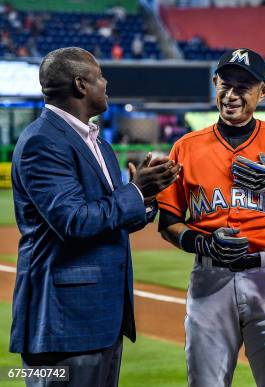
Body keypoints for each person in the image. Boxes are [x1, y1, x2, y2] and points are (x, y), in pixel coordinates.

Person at [9, 47, 181, 387]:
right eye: (100, 76)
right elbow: (74, 221)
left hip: (102, 318)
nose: (106, 83)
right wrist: (133, 191)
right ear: (81, 85)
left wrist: (144, 196)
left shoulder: (96, 142)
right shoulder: (42, 142)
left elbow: (113, 216)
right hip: (63, 324)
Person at [157, 48, 265, 387]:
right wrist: (203, 242)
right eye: (226, 84)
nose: (232, 94)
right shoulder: (185, 147)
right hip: (210, 283)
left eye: (243, 86)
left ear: (262, 92)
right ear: (214, 84)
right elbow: (167, 221)